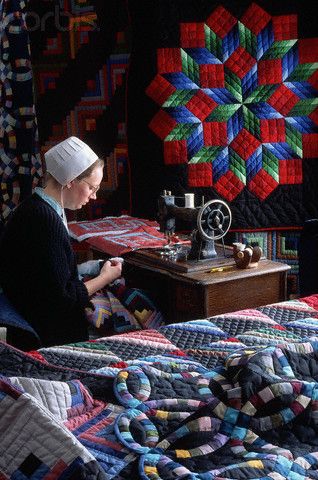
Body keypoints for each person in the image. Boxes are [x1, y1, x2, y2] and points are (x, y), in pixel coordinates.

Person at [0, 136, 122, 349]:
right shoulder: (45, 220)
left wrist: (90, 269)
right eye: (92, 188)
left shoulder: (34, 208)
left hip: (36, 318)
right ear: (71, 180)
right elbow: (63, 299)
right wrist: (105, 277)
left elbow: (51, 276)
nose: (94, 196)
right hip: (49, 336)